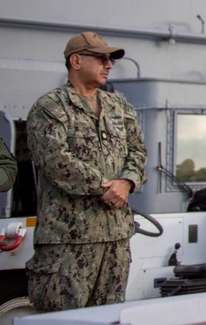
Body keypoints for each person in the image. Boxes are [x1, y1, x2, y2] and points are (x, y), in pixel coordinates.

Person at [25, 32, 147, 312]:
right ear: (76, 61)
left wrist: (127, 182)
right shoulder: (50, 107)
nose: (109, 65)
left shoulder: (120, 107)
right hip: (68, 242)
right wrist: (109, 187)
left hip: (115, 239)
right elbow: (56, 161)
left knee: (111, 316)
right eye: (102, 58)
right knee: (64, 319)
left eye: (110, 60)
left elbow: (138, 151)